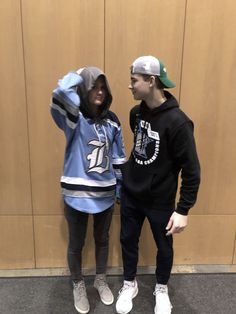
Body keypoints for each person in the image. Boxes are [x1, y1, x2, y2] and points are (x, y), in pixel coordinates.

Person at [115, 56, 200, 314]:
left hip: (160, 201)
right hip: (132, 194)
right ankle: (130, 282)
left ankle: (161, 287)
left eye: (134, 80)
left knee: (164, 248)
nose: (129, 86)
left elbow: (192, 170)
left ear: (151, 81)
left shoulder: (178, 123)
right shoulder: (136, 113)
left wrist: (183, 209)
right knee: (128, 239)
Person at [50, 66, 126, 314]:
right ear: (84, 88)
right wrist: (78, 75)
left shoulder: (113, 120)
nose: (100, 91)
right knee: (76, 242)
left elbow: (118, 157)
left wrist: (120, 188)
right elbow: (61, 93)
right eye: (94, 86)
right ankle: (77, 283)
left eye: (103, 87)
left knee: (102, 240)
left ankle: (100, 279)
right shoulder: (74, 118)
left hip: (105, 193)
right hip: (76, 195)